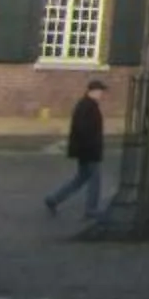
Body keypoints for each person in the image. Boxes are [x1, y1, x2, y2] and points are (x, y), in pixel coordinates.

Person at [45, 77, 108, 221]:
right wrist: (91, 147)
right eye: (100, 91)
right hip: (89, 150)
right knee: (94, 180)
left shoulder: (86, 105)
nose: (102, 94)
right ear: (93, 91)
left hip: (84, 150)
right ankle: (91, 209)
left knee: (80, 179)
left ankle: (53, 199)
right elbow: (83, 129)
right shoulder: (88, 106)